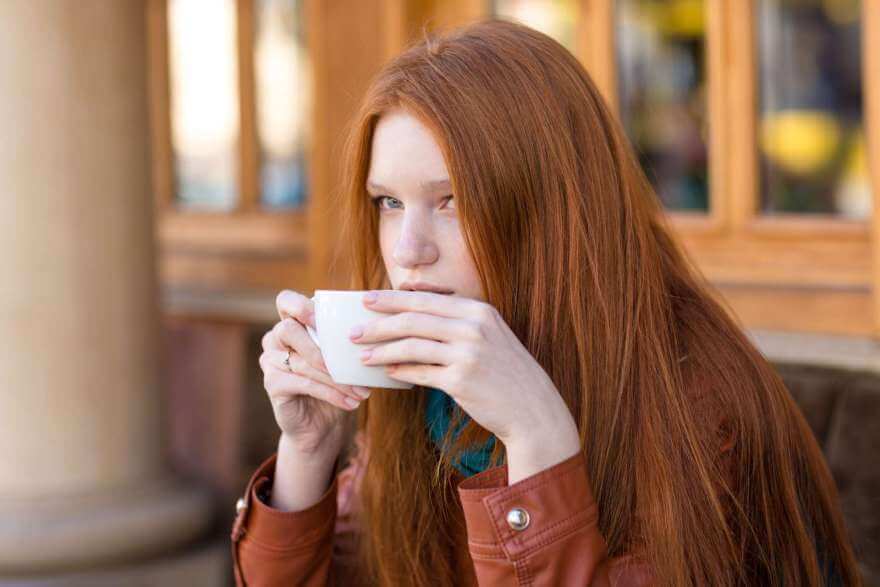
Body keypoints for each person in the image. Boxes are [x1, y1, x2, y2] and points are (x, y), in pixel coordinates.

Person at [230, 18, 861, 586]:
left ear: (550, 212)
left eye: (452, 200)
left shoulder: (696, 401)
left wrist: (536, 437)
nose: (408, 251)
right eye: (389, 203)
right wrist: (307, 453)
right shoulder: (431, 393)